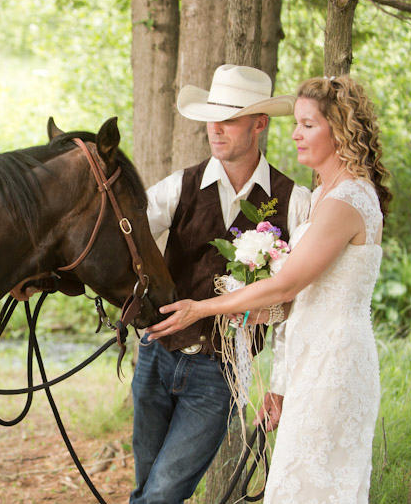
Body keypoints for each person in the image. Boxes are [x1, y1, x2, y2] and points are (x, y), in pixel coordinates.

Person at [147, 75, 391, 503]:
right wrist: (270, 327)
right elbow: (301, 298)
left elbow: (287, 283)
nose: (295, 134)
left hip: (332, 361)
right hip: (309, 356)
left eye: (308, 125)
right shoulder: (324, 195)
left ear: (340, 129)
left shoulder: (345, 199)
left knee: (315, 486)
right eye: (296, 123)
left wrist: (204, 308)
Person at [130, 65, 312, 504]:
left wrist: (280, 384)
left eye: (229, 118)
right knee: (146, 490)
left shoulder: (294, 201)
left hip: (223, 372)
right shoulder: (180, 187)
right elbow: (124, 239)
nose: (216, 128)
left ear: (260, 124)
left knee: (161, 495)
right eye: (213, 117)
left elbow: (296, 303)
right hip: (157, 355)